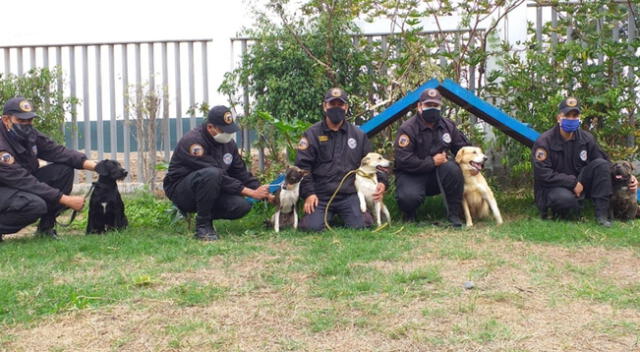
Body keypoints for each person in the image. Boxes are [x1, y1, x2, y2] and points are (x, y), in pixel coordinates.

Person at [163, 105, 272, 241]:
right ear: (210, 127)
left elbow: (240, 173)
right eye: (223, 130)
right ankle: (203, 226)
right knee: (212, 174)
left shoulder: (229, 144)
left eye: (230, 130)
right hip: (182, 190)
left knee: (242, 206)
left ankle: (204, 213)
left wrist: (265, 192)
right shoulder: (194, 143)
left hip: (210, 189)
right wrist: (251, 193)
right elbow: (219, 176)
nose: (228, 134)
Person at [0, 97, 97, 241]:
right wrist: (65, 199)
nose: (26, 124)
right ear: (6, 120)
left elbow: (57, 152)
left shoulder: (28, 133)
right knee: (34, 205)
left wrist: (96, 166)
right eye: (21, 121)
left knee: (63, 170)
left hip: (18, 184)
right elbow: (25, 182)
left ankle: (45, 228)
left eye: (29, 120)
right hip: (5, 187)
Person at [532, 97, 637, 227]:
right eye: (567, 115)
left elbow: (606, 164)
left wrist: (629, 177)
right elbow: (543, 174)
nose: (571, 119)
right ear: (558, 117)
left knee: (601, 164)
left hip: (581, 182)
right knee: (566, 203)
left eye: (574, 115)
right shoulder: (544, 142)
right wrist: (572, 183)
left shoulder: (586, 139)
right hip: (555, 187)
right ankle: (566, 210)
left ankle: (602, 215)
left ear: (579, 118)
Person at [295, 87, 388, 231]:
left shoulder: (358, 135)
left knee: (363, 225)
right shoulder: (312, 134)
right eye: (332, 104)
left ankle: (350, 215)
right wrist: (309, 193)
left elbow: (374, 162)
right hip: (321, 195)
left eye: (340, 104)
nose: (336, 108)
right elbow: (303, 167)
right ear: (325, 106)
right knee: (311, 227)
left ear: (346, 107)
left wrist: (382, 182)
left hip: (349, 195)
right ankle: (321, 216)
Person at [393, 88, 469, 227]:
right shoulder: (408, 128)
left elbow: (463, 149)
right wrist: (432, 161)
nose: (432, 108)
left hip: (437, 176)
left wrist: (473, 162)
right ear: (420, 106)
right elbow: (403, 160)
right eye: (428, 105)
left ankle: (454, 214)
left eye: (436, 106)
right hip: (412, 174)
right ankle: (409, 214)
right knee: (408, 198)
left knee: (453, 169)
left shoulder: (448, 125)